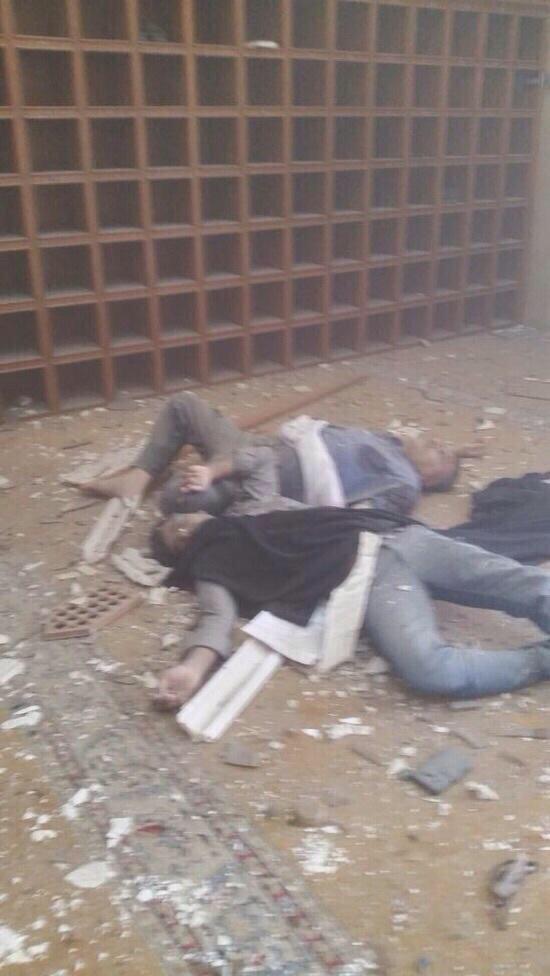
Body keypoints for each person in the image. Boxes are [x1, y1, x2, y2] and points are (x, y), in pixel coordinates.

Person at [149, 506, 550, 711]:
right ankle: (542, 660)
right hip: (368, 577)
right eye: (177, 536)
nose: (186, 527)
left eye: (182, 519)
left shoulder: (251, 510)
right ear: (183, 557)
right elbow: (216, 617)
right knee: (430, 670)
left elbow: (250, 460)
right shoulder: (210, 566)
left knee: (516, 581)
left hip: (393, 536)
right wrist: (192, 669)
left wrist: (214, 470)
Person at [80, 392, 462, 518]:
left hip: (267, 482)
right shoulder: (389, 442)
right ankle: (135, 481)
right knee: (184, 404)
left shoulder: (404, 485)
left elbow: (351, 519)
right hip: (256, 447)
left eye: (441, 451)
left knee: (178, 497)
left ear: (431, 477)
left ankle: (201, 480)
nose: (434, 440)